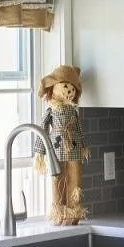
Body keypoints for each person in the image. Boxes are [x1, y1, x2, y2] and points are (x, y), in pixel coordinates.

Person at [35, 65, 88, 225]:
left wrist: (84, 146)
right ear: (54, 87)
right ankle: (59, 212)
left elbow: (79, 129)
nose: (69, 91)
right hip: (57, 149)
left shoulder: (73, 111)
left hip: (74, 148)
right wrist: (39, 152)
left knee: (75, 180)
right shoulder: (51, 110)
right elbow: (42, 130)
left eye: (72, 89)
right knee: (58, 179)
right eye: (66, 86)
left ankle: (73, 212)